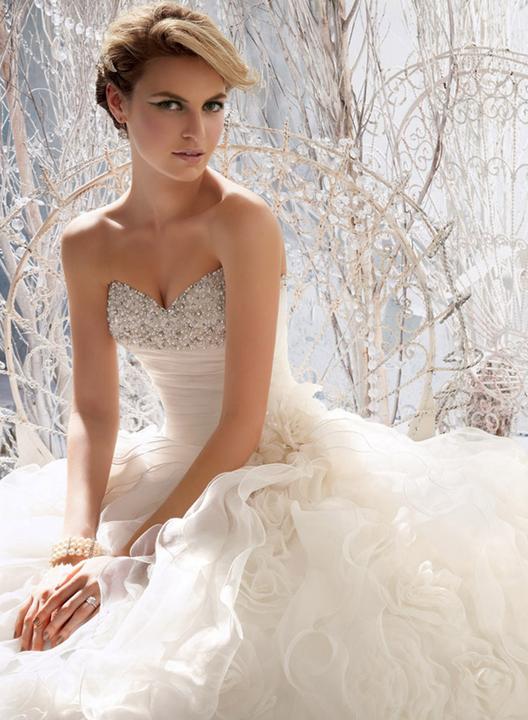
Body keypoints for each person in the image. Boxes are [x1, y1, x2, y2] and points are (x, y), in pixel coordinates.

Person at [1, 2, 528, 718]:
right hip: (166, 464)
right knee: (39, 632)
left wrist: (131, 555)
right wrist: (77, 545)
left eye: (213, 105)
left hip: (263, 469)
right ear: (118, 104)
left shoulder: (241, 222)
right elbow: (94, 412)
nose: (198, 131)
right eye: (170, 104)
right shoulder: (87, 242)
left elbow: (242, 422)